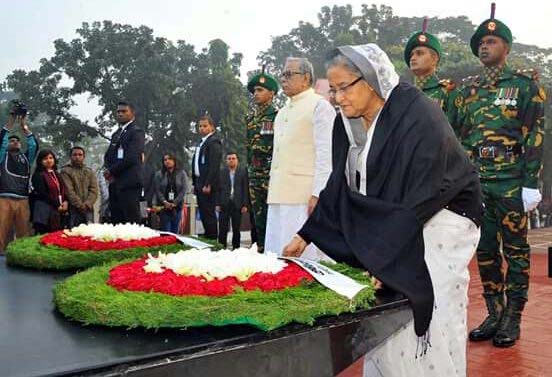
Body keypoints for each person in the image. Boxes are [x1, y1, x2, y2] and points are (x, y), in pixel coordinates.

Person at [283, 44, 483, 377]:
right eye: (332, 90)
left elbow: (422, 193)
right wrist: (306, 235)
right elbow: (339, 185)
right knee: (384, 316)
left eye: (343, 87)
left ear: (372, 79)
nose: (337, 98)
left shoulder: (417, 114)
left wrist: (386, 256)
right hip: (394, 223)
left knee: (426, 304)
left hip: (442, 218)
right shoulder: (345, 124)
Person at [458, 4, 545, 348]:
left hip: (510, 181)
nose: (484, 45)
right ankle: (494, 312)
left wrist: (530, 183)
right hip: (478, 183)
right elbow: (460, 137)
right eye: (481, 41)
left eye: (492, 40)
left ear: (506, 48)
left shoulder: (525, 86)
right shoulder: (467, 89)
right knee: (484, 251)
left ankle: (513, 316)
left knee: (516, 252)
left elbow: (535, 136)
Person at [265, 57, 335, 260]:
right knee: (277, 257)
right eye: (283, 75)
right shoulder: (282, 113)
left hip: (304, 199)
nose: (283, 79)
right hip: (278, 195)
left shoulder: (319, 106)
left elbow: (326, 155)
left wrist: (318, 194)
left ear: (306, 78)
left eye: (289, 74)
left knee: (304, 259)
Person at [404, 17, 460, 131]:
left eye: (419, 53)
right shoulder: (404, 94)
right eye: (411, 55)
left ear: (434, 59)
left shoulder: (447, 91)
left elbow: (458, 129)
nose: (413, 58)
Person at [246, 69, 279, 252]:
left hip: (271, 176)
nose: (256, 94)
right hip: (254, 175)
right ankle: (260, 249)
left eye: (260, 90)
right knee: (257, 219)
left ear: (272, 93)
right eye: (255, 91)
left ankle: (273, 252)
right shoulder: (250, 119)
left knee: (271, 217)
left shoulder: (278, 116)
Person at [0, 104, 38, 252]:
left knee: (24, 235)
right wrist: (12, 120)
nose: (15, 142)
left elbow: (34, 145)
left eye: (18, 140)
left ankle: (22, 258)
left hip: (23, 199)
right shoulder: (3, 156)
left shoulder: (26, 158)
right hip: (4, 198)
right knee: (2, 233)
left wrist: (23, 126)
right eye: (12, 140)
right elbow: (1, 140)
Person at [103, 101, 145, 224]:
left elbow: (131, 157)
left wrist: (112, 170)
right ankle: (118, 244)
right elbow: (109, 155)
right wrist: (107, 169)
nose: (120, 114)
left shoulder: (136, 132)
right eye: (118, 112)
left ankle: (134, 243)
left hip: (129, 182)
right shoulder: (116, 134)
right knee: (117, 219)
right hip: (115, 182)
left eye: (124, 111)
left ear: (132, 113)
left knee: (130, 219)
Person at [191, 114, 222, 240]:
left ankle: (213, 239)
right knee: (203, 213)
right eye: (200, 126)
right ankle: (207, 237)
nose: (202, 128)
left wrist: (208, 183)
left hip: (206, 184)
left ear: (212, 127)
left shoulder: (213, 142)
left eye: (205, 126)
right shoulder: (201, 143)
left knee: (209, 214)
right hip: (199, 182)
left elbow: (214, 165)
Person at [30, 149, 69, 234]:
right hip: (44, 211)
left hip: (59, 210)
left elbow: (63, 189)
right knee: (45, 237)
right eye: (45, 159)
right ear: (40, 161)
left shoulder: (57, 174)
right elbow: (42, 193)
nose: (48, 160)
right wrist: (57, 205)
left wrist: (65, 201)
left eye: (51, 158)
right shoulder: (37, 175)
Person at [60, 146, 98, 227]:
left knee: (89, 233)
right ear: (70, 156)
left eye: (80, 155)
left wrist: (87, 204)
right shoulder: (65, 171)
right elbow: (69, 191)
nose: (77, 157)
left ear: (84, 157)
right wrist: (80, 205)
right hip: (73, 209)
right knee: (73, 233)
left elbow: (94, 190)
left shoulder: (89, 171)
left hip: (88, 208)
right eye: (75, 155)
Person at [217, 152, 249, 249]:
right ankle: (221, 248)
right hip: (224, 204)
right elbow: (218, 189)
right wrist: (217, 204)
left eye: (233, 158)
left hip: (237, 204)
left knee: (236, 229)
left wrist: (245, 204)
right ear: (226, 161)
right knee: (222, 228)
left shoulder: (242, 172)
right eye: (229, 158)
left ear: (237, 160)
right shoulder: (222, 172)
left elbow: (245, 189)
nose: (231, 160)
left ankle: (236, 249)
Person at [154, 153, 188, 233]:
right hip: (164, 207)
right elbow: (157, 190)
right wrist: (165, 202)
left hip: (177, 207)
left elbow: (184, 189)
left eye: (169, 159)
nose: (167, 161)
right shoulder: (159, 174)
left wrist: (175, 202)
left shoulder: (182, 173)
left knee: (175, 232)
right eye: (165, 160)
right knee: (166, 232)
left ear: (174, 160)